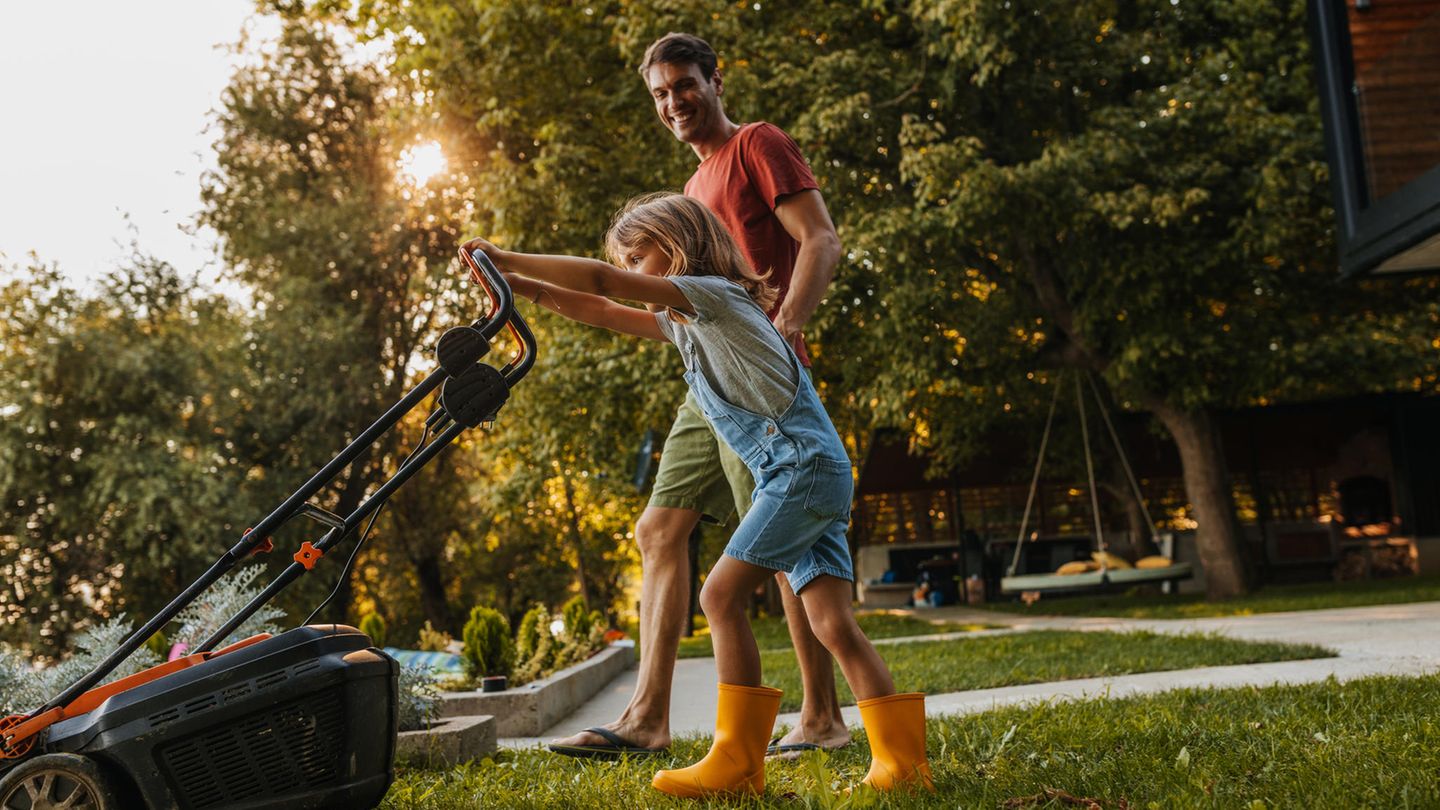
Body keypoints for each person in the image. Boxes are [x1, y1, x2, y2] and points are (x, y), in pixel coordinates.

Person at [462, 192, 933, 797]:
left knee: (718, 597)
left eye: (639, 255)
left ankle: (737, 762)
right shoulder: (685, 324)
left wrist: (503, 254)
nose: (631, 270)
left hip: (800, 469)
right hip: (806, 472)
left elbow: (606, 283)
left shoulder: (715, 294)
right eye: (627, 260)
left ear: (678, 244)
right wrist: (517, 286)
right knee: (833, 624)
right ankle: (904, 766)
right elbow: (603, 308)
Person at [547, 32, 849, 760]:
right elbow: (657, 307)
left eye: (685, 84)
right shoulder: (689, 192)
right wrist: (543, 292)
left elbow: (819, 239)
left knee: (779, 542)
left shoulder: (756, 145)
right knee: (657, 529)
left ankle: (821, 716)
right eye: (660, 93)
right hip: (706, 388)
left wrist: (787, 328)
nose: (674, 101)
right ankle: (648, 718)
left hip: (762, 392)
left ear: (717, 80)